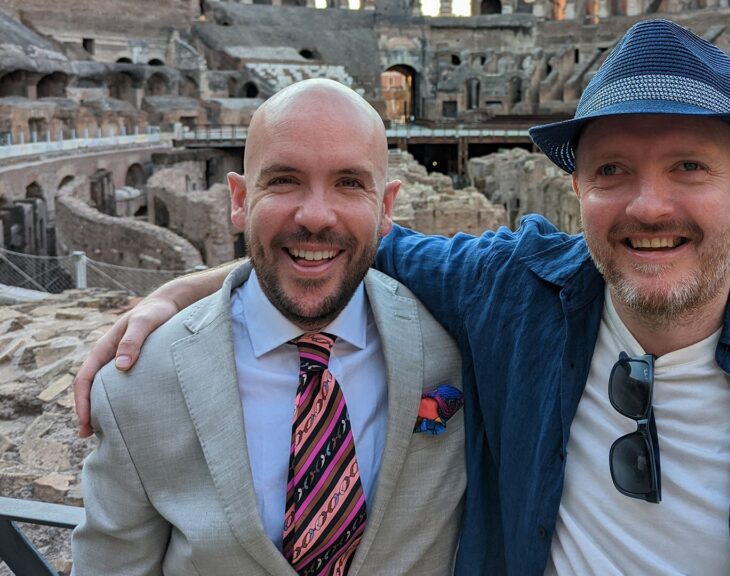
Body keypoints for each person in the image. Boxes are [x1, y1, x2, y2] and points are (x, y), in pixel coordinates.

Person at [77, 19, 730, 574]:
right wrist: (188, 291)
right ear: (578, 190)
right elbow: (340, 241)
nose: (648, 204)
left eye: (689, 166)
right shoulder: (515, 292)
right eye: (613, 169)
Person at [71, 80, 466, 575]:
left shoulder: (454, 344)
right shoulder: (140, 384)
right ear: (239, 199)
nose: (316, 216)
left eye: (349, 183)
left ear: (386, 207)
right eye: (283, 180)